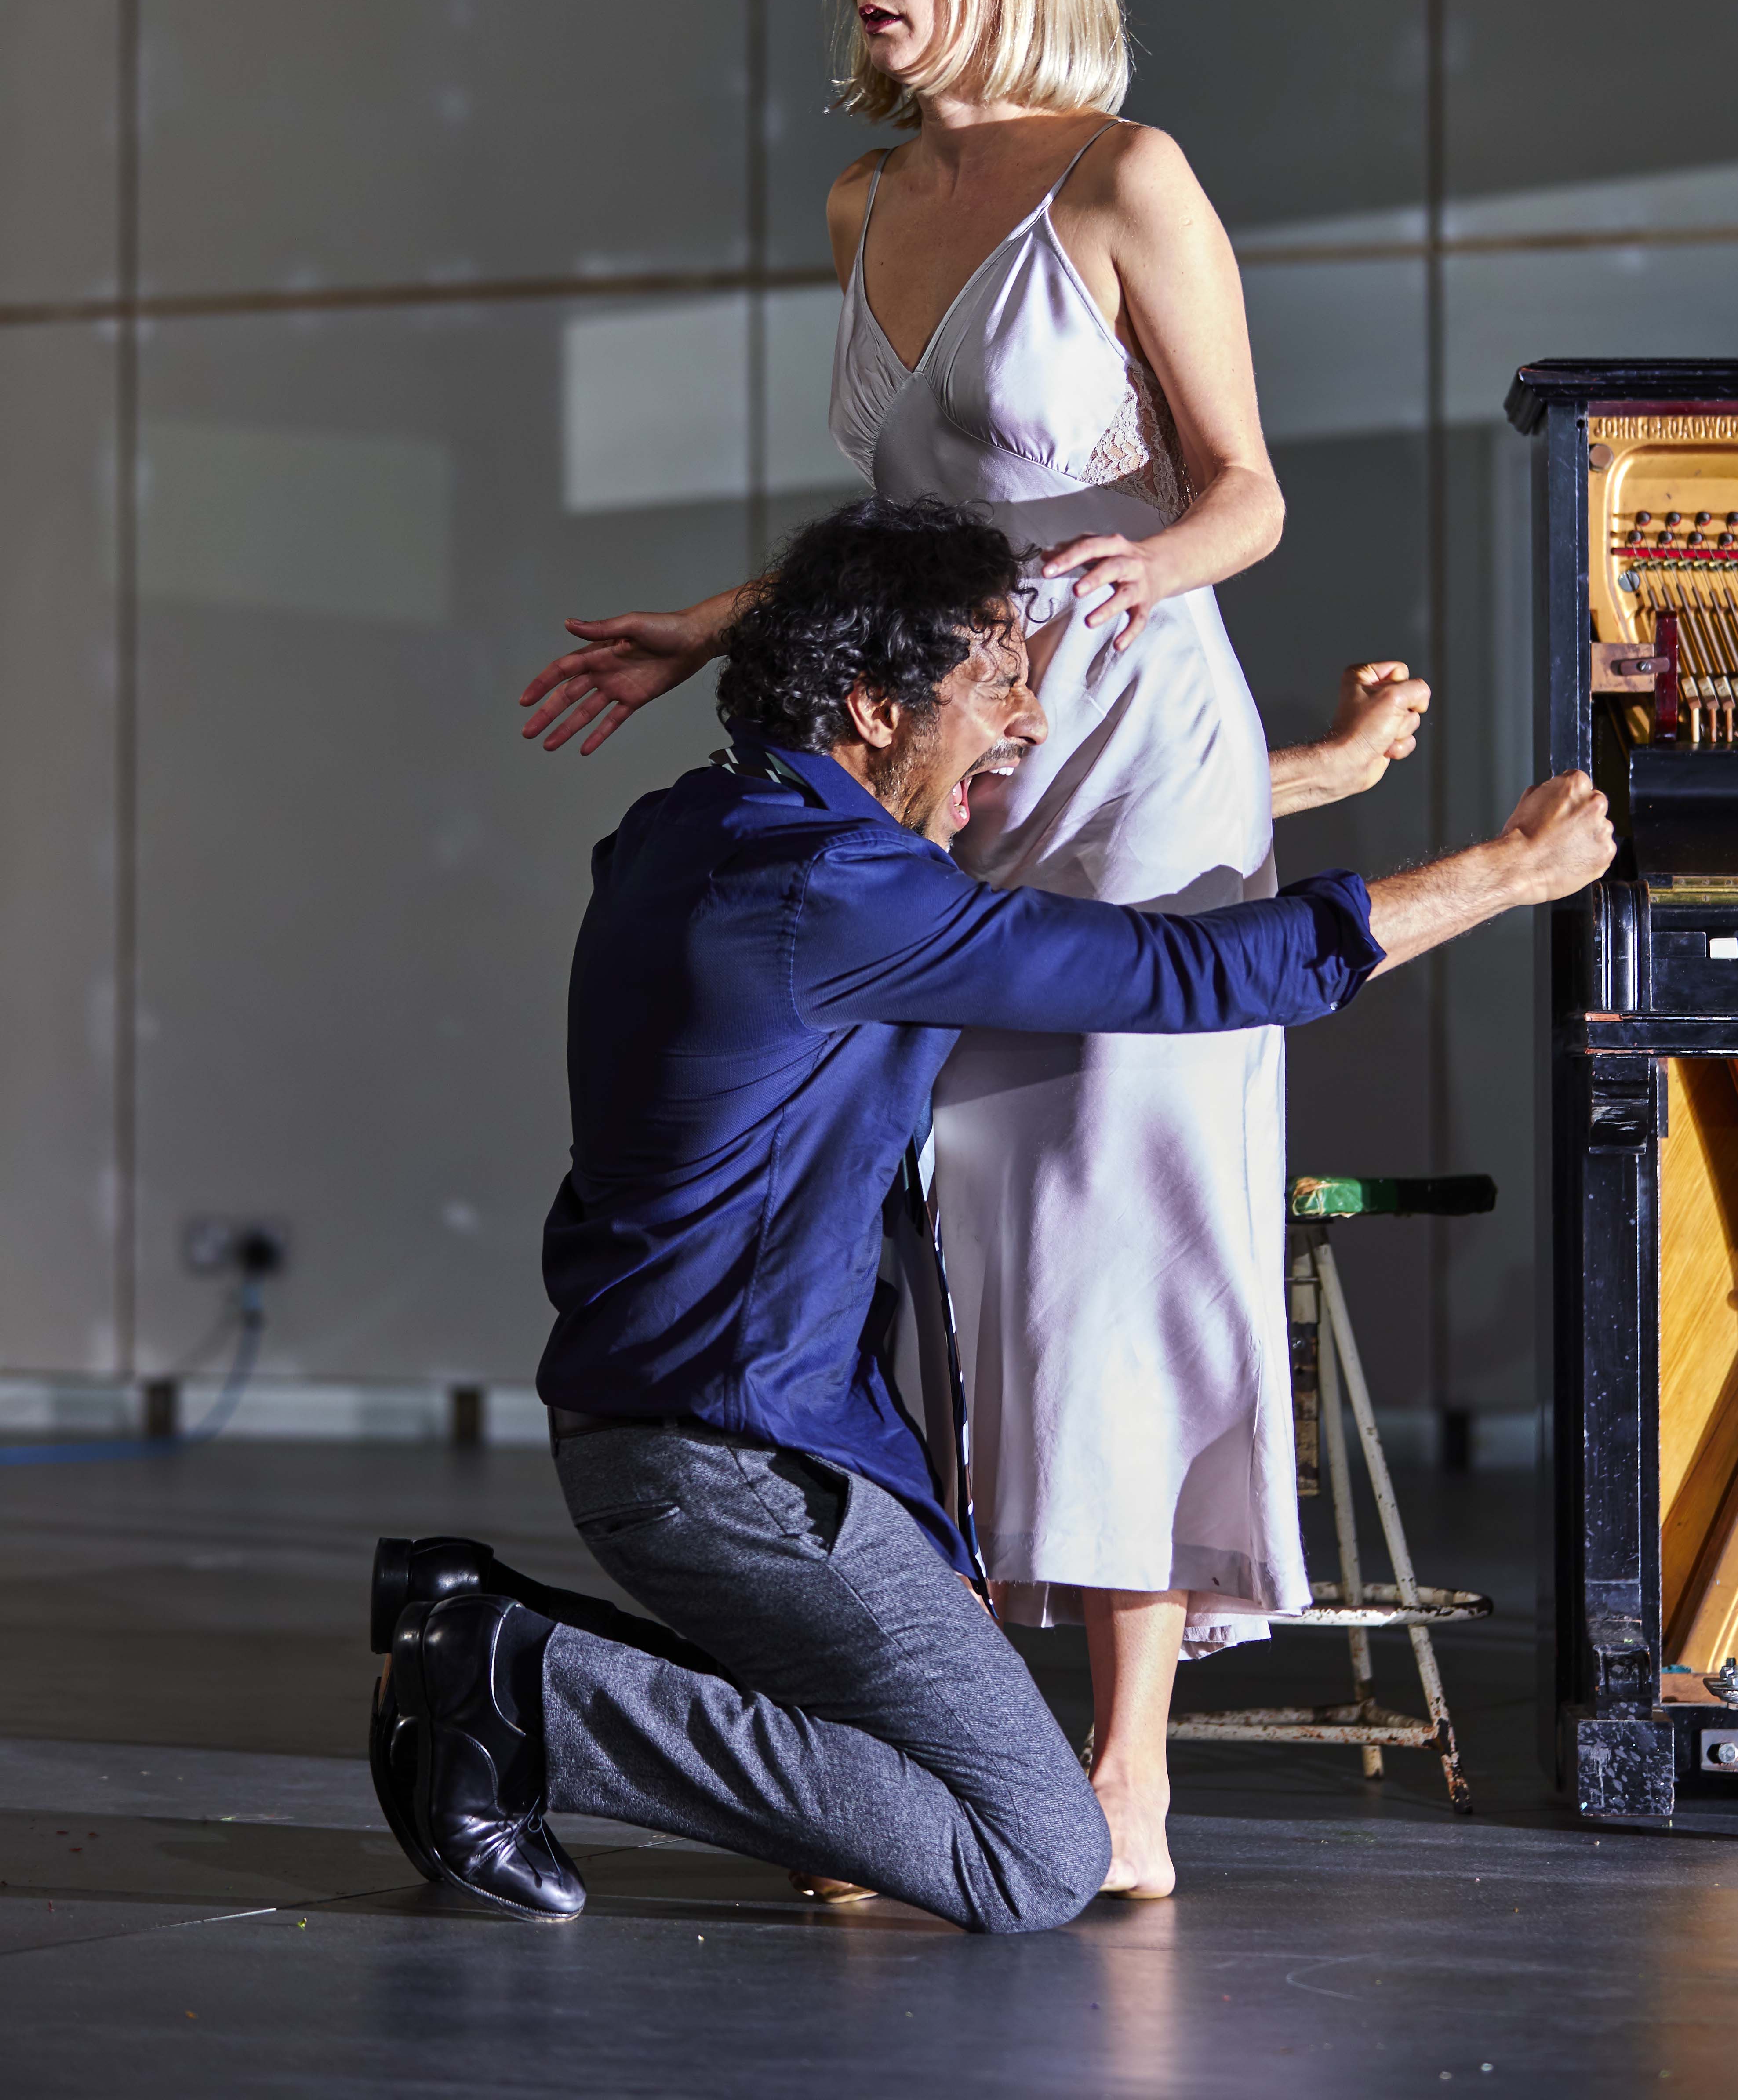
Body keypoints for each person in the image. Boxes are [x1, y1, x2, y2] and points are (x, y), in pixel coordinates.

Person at [518, 0, 1432, 1897]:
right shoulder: (868, 201)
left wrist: (1139, 573)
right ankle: (933, 1722)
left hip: (1129, 743)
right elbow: (912, 542)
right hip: (960, 762)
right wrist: (713, 626)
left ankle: (1128, 1774)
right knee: (927, 1218)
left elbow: (1246, 494)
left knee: (1117, 1225)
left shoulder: (1124, 178)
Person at [383, 499, 1612, 1929]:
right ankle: (517, 1682)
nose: (1032, 721)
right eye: (997, 684)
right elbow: (1193, 974)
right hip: (734, 1471)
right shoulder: (837, 892)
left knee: (899, 1798)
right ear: (871, 706)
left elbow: (1077, 835)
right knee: (1032, 1856)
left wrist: (1324, 773)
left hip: (678, 1437)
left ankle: (499, 1637)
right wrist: (1509, 873)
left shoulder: (698, 828)